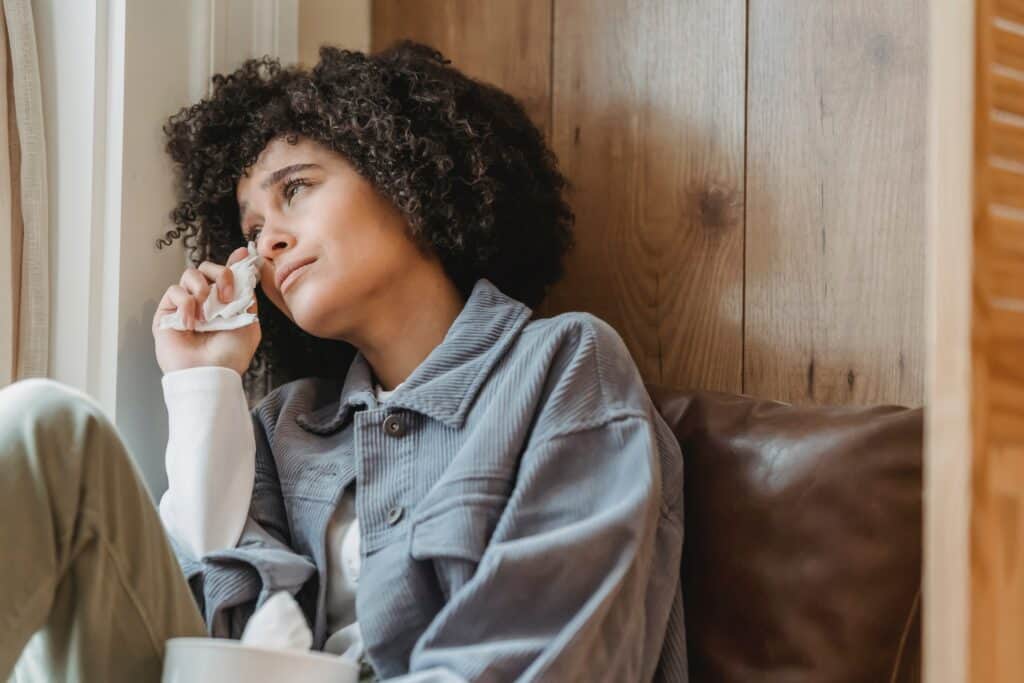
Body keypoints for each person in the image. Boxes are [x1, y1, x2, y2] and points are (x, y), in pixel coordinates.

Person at [0, 41, 686, 682]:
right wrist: (201, 382)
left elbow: (537, 657)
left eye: (293, 189)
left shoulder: (564, 368)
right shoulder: (284, 425)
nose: (267, 244)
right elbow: (201, 632)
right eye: (252, 229)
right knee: (43, 429)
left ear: (402, 170)